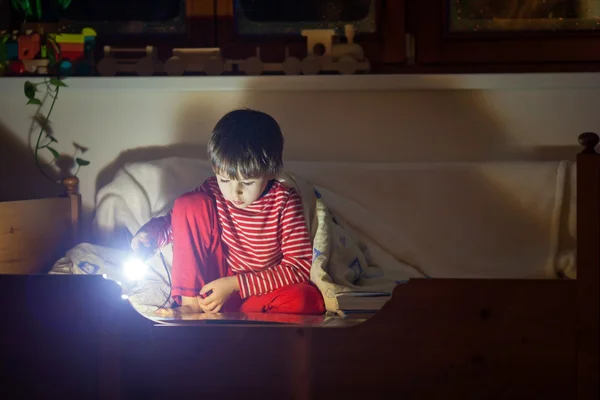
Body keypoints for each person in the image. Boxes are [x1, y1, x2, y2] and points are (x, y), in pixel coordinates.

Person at [131, 109, 325, 316]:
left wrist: (235, 284)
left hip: (258, 290)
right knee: (189, 204)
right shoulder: (212, 190)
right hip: (210, 288)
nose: (235, 192)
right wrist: (151, 234)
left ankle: (242, 319)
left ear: (270, 172)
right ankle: (191, 305)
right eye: (225, 180)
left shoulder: (285, 200)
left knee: (308, 299)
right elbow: (178, 222)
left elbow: (298, 267)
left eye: (247, 182)